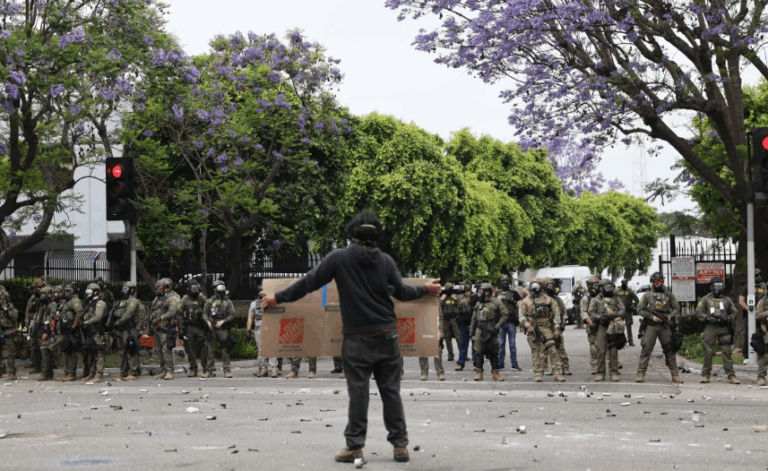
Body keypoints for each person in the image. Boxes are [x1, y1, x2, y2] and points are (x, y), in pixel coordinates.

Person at [260, 211, 441, 464]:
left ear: (353, 233)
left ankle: (355, 447)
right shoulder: (386, 261)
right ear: (377, 235)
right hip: (388, 336)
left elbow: (309, 283)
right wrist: (427, 289)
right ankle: (400, 446)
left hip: (357, 340)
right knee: (391, 392)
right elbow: (402, 292)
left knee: (359, 393)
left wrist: (276, 298)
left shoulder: (339, 258)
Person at [635, 272, 682, 383]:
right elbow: (639, 309)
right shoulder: (647, 295)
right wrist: (651, 317)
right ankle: (640, 374)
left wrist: (670, 316)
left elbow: (676, 308)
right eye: (656, 282)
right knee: (646, 349)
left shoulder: (669, 294)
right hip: (652, 325)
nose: (659, 284)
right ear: (652, 283)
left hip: (665, 326)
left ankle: (675, 375)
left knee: (670, 350)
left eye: (661, 281)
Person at [696, 276, 741, 384]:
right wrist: (708, 318)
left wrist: (727, 318)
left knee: (727, 352)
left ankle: (731, 376)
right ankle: (705, 375)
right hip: (710, 326)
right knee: (708, 351)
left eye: (720, 286)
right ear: (711, 287)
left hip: (723, 327)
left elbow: (734, 312)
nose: (719, 288)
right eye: (716, 286)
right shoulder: (706, 299)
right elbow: (698, 312)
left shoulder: (727, 300)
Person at [519, 278, 563, 382]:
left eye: (537, 285)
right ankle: (538, 373)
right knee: (536, 352)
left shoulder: (548, 299)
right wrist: (527, 324)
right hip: (532, 329)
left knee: (552, 349)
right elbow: (521, 315)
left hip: (546, 327)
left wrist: (557, 327)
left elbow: (556, 313)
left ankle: (557, 373)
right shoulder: (526, 300)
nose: (535, 288)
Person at [588, 279, 626, 382]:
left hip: (614, 326)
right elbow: (591, 313)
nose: (609, 288)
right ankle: (601, 373)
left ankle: (613, 373)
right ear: (601, 288)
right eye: (606, 286)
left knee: (613, 350)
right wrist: (600, 318)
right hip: (602, 326)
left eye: (610, 286)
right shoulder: (596, 300)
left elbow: (623, 309)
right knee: (601, 350)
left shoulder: (615, 298)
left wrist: (615, 315)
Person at [469, 283, 508, 381]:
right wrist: (471, 331)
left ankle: (495, 373)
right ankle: (479, 372)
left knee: (493, 351)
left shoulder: (496, 302)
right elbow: (474, 318)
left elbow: (505, 314)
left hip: (491, 329)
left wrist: (497, 326)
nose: (480, 293)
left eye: (482, 291)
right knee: (478, 351)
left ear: (487, 292)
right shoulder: (479, 303)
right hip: (480, 328)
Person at [149, 278, 181, 380]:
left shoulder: (173, 298)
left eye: (160, 287)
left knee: (166, 350)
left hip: (167, 328)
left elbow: (172, 312)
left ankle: (170, 371)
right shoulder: (158, 298)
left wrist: (160, 318)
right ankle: (163, 370)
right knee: (158, 350)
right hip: (157, 328)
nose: (158, 289)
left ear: (166, 287)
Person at [203, 280, 236, 379]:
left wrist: (223, 321)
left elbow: (232, 314)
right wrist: (207, 321)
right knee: (210, 350)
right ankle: (209, 371)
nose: (221, 289)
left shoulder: (227, 302)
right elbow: (204, 313)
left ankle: (227, 370)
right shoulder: (209, 301)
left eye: (222, 287)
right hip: (212, 328)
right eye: (219, 287)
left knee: (225, 350)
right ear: (214, 289)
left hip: (223, 328)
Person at [112, 282, 141, 381]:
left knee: (131, 350)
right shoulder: (121, 301)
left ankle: (133, 372)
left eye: (127, 288)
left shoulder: (133, 301)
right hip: (120, 329)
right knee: (122, 352)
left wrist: (119, 322)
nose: (124, 289)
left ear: (132, 290)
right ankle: (123, 372)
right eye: (124, 288)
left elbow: (129, 313)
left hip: (128, 329)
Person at [181, 279, 209, 378]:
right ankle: (193, 368)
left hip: (201, 326)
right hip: (189, 327)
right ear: (187, 289)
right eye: (192, 288)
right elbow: (179, 313)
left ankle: (206, 369)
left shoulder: (201, 298)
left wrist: (202, 296)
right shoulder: (184, 299)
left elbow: (208, 306)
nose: (194, 290)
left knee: (204, 348)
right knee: (190, 349)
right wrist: (181, 329)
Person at [247, 286, 277, 378]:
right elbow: (250, 317)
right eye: (261, 293)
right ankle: (263, 369)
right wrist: (248, 329)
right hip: (259, 329)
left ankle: (274, 370)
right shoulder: (253, 304)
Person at [57, 284, 83, 382]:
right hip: (64, 330)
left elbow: (79, 313)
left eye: (67, 291)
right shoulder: (65, 302)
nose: (64, 293)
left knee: (71, 351)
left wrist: (74, 326)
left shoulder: (75, 301)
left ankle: (72, 373)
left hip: (72, 330)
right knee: (65, 350)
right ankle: (66, 372)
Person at [81, 283, 108, 383]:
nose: (87, 294)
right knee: (91, 353)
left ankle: (99, 375)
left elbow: (98, 317)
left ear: (95, 292)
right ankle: (91, 374)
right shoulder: (90, 303)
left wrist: (86, 323)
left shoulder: (99, 303)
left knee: (99, 352)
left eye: (89, 292)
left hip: (96, 330)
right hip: (89, 331)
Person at [544, 278, 570, 375]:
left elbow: (564, 312)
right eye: (549, 285)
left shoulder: (558, 299)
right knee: (546, 349)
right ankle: (547, 368)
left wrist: (563, 323)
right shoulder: (542, 299)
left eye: (552, 285)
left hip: (557, 327)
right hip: (546, 328)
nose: (551, 287)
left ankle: (565, 367)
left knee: (560, 347)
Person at [739, 268, 766, 355]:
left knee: (764, 333)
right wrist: (747, 308)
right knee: (749, 334)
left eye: (759, 275)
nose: (759, 277)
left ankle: (762, 354)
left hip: (762, 314)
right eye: (756, 275)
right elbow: (741, 300)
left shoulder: (764, 286)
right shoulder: (747, 286)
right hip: (751, 314)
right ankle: (747, 355)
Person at [497, 275, 522, 371]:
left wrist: (513, 301)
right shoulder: (498, 294)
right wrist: (497, 299)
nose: (505, 282)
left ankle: (514, 364)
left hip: (511, 321)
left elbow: (521, 304)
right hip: (501, 322)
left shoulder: (513, 293)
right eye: (503, 280)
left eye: (506, 280)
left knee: (512, 344)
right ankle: (500, 363)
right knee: (501, 344)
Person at [581, 274, 601, 374]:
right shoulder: (586, 298)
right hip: (592, 323)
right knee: (593, 346)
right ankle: (595, 366)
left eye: (597, 284)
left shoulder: (603, 296)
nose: (596, 287)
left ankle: (611, 364)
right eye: (594, 285)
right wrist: (591, 322)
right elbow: (583, 312)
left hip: (603, 323)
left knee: (609, 344)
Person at [454, 280, 474, 371]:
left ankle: (476, 364)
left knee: (475, 345)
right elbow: (456, 310)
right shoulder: (460, 297)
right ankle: (460, 363)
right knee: (463, 345)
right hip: (463, 324)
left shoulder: (475, 297)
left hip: (473, 324)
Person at [0, 288, 20, 380]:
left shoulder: (10, 307)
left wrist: (7, 310)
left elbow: (15, 316)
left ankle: (11, 372)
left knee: (9, 353)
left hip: (8, 332)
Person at [440, 283, 461, 362]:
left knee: (458, 337)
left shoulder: (455, 296)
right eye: (448, 288)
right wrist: (442, 299)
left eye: (450, 288)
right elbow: (438, 306)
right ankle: (450, 355)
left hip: (454, 318)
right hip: (445, 319)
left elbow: (461, 304)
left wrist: (455, 299)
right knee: (447, 338)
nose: (449, 290)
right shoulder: (443, 296)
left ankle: (462, 354)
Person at [616, 279, 640, 346]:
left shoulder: (630, 291)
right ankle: (620, 341)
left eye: (626, 282)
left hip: (628, 311)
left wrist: (632, 306)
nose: (624, 284)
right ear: (621, 283)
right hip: (620, 311)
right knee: (619, 326)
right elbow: (614, 300)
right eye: (623, 283)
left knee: (628, 326)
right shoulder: (617, 291)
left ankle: (630, 341)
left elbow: (637, 300)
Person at [755, 295, 768, 386]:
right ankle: (761, 377)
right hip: (766, 331)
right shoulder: (764, 301)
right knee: (764, 355)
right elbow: (757, 315)